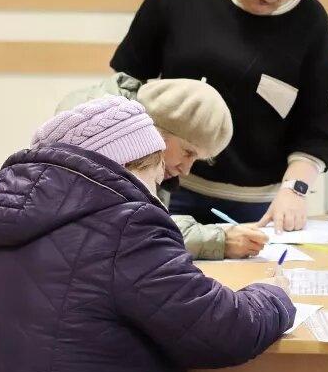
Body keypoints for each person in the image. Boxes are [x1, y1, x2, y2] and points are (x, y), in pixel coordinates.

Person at [0, 97, 295, 372]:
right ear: (129, 164)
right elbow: (221, 330)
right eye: (155, 176)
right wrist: (275, 294)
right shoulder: (127, 223)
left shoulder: (4, 216)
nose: (156, 192)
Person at [110, 0, 328, 233]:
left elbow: (320, 126)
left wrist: (295, 190)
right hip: (167, 185)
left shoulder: (310, 21)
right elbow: (127, 81)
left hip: (256, 202)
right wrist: (137, 164)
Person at [57, 76, 269, 260]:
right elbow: (121, 231)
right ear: (156, 129)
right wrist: (218, 239)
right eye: (188, 152)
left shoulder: (139, 149)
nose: (186, 170)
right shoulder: (98, 136)